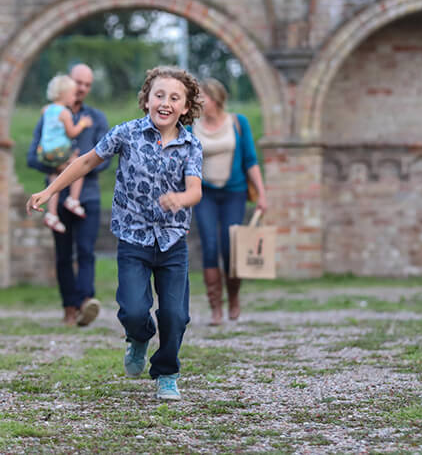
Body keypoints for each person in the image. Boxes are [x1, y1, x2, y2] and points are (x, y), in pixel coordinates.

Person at [27, 66, 203, 401]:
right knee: (134, 311)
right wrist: (50, 191)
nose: (165, 102)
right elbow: (84, 162)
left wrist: (180, 198)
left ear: (185, 106)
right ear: (147, 100)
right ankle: (139, 338)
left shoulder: (191, 144)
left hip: (172, 241)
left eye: (174, 98)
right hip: (133, 237)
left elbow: (195, 190)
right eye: (159, 95)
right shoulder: (127, 133)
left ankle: (166, 372)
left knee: (176, 314)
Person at [26, 64, 109, 327]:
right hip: (57, 197)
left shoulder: (96, 118)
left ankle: (86, 301)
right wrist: (58, 167)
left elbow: (106, 157)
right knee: (63, 256)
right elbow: (32, 156)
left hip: (89, 196)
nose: (82, 88)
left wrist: (83, 165)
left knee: (86, 250)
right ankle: (69, 308)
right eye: (78, 82)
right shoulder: (49, 114)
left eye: (87, 84)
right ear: (67, 83)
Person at [190, 78, 268, 325]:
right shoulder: (192, 126)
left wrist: (262, 194)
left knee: (231, 246)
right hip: (205, 194)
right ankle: (215, 308)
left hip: (234, 192)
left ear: (217, 99)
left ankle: (233, 295)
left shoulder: (238, 123)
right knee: (210, 245)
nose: (199, 101)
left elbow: (250, 161)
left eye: (204, 97)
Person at [35, 74, 93, 233]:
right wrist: (82, 123)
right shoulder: (64, 113)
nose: (75, 97)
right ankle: (73, 200)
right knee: (78, 166)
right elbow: (72, 133)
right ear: (65, 95)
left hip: (45, 153)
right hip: (59, 151)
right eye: (73, 94)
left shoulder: (46, 110)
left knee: (54, 181)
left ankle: (51, 215)